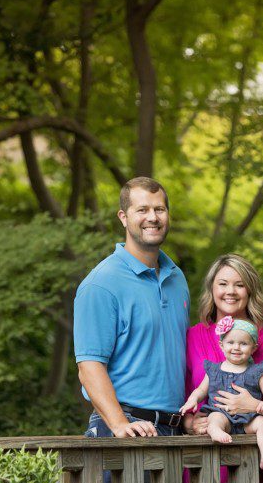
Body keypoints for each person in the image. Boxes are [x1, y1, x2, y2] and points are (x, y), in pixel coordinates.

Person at [74, 176, 190, 446]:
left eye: (159, 209)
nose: (153, 217)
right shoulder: (101, 283)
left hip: (176, 430)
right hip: (126, 427)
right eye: (143, 210)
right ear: (124, 217)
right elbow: (89, 367)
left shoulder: (177, 279)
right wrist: (119, 425)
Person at [183, 254, 263, 438]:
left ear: (250, 290)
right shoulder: (193, 338)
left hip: (256, 456)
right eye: (223, 284)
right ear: (212, 289)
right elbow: (178, 397)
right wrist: (190, 423)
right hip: (204, 457)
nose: (230, 291)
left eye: (239, 285)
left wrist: (256, 407)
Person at [181, 317, 263, 472]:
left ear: (253, 348)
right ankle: (216, 433)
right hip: (222, 415)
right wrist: (192, 400)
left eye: (243, 343)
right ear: (221, 345)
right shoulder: (214, 370)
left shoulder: (257, 372)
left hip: (248, 420)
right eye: (231, 342)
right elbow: (201, 390)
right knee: (214, 419)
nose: (237, 347)